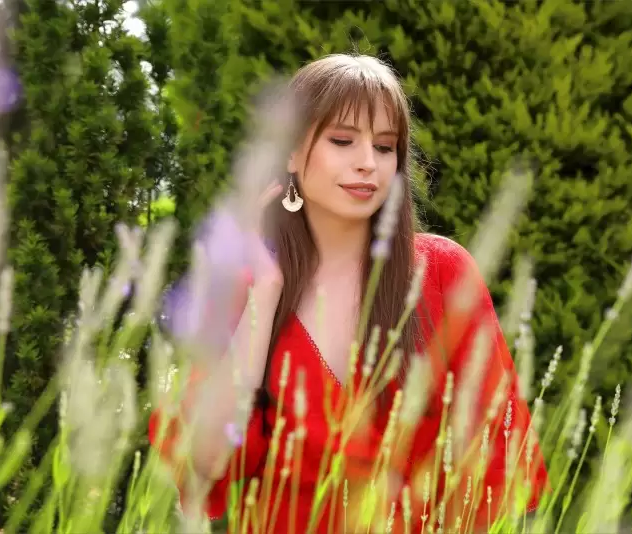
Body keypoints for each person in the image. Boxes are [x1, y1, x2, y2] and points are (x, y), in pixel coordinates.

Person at [149, 53, 548, 533]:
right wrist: (265, 292)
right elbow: (205, 463)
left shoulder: (442, 272)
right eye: (342, 140)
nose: (367, 164)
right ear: (291, 153)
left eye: (385, 147)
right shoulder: (243, 288)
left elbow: (495, 462)